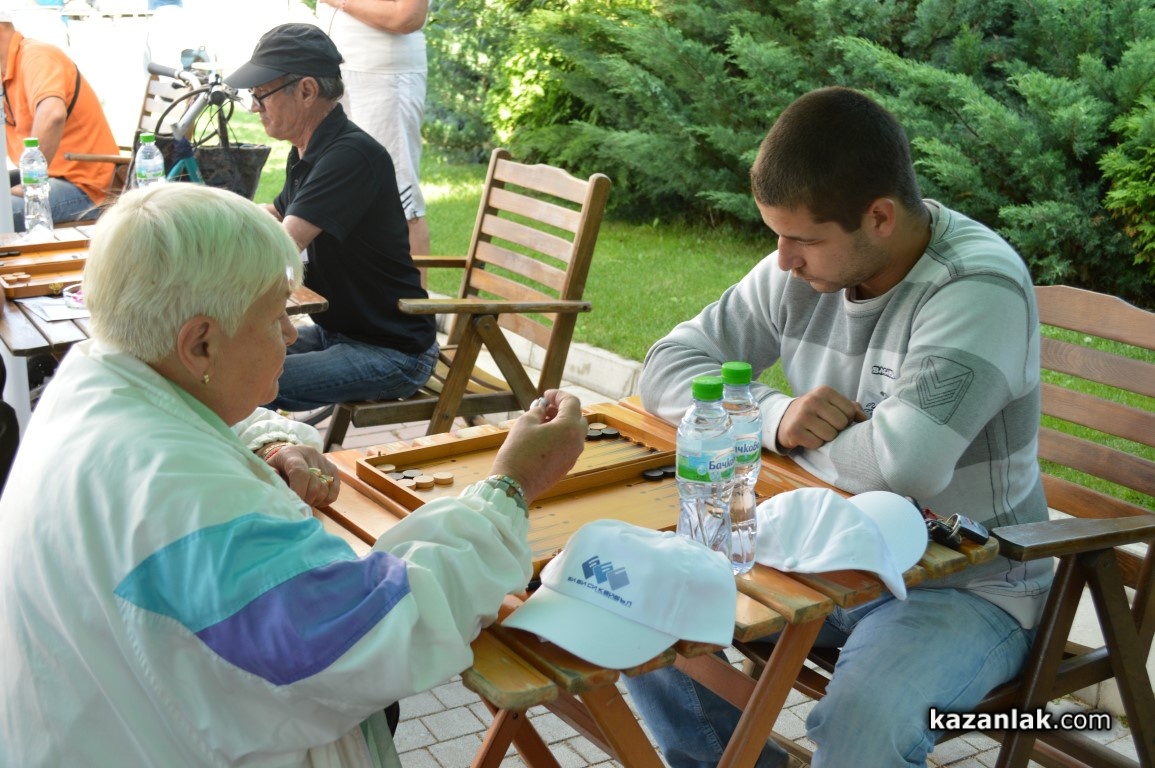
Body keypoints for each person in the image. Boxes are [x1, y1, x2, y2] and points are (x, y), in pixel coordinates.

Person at [0, 183, 589, 767]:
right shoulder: (190, 503)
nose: (289, 332)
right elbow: (382, 635)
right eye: (275, 313)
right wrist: (510, 485)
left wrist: (269, 442)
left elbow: (188, 421)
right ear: (200, 344)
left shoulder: (94, 382)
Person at [624, 86, 1054, 768]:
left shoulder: (975, 287)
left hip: (964, 583)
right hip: (823, 552)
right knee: (634, 600)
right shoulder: (800, 271)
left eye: (802, 239)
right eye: (777, 235)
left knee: (861, 726)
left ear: (879, 217)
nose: (783, 259)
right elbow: (667, 367)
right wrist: (773, 417)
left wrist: (782, 440)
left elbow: (904, 468)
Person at [224, 23, 438, 414]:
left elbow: (284, 245)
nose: (254, 107)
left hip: (392, 352)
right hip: (337, 332)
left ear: (306, 91)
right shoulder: (310, 150)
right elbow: (275, 214)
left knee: (243, 381)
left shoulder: (349, 156)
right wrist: (207, 221)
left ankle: (264, 453)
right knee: (219, 361)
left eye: (261, 94)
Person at [319, 0, 432, 259]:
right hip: (336, 70)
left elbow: (408, 17)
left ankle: (414, 287)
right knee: (340, 185)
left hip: (386, 75)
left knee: (400, 196)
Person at [0, 10, 119, 229]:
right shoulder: (6, 69)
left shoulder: (36, 56)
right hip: (52, 176)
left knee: (1, 214)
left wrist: (31, 183)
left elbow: (52, 115)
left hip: (84, 187)